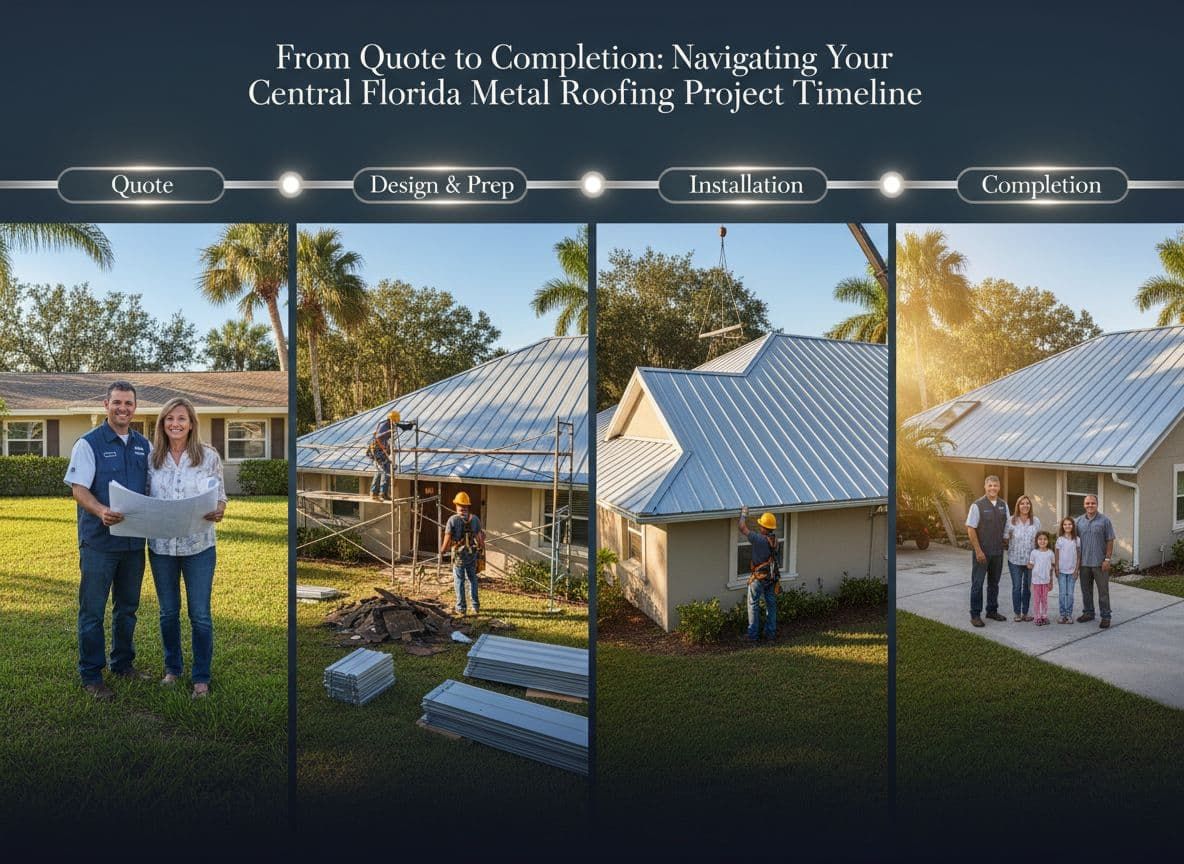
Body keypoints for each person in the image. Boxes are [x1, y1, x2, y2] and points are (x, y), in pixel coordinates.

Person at [64, 381, 152, 700]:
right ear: (106, 405)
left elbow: (153, 489)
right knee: (92, 611)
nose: (123, 408)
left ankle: (122, 665)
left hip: (132, 545)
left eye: (128, 403)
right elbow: (78, 489)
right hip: (99, 543)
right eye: (117, 402)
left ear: (135, 408)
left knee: (127, 609)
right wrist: (101, 510)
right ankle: (91, 675)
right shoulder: (88, 444)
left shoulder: (144, 445)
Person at [146, 397, 227, 698]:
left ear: (191, 423)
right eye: (169, 418)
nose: (175, 424)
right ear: (162, 423)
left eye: (181, 418)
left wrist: (219, 510)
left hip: (199, 546)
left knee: (200, 615)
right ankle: (172, 669)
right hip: (161, 548)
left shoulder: (209, 456)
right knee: (168, 613)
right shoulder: (152, 458)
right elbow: (143, 498)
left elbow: (221, 497)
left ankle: (201, 678)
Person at [966, 475, 1009, 627]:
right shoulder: (977, 505)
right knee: (977, 583)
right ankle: (975, 615)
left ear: (999, 487)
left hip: (997, 552)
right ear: (985, 487)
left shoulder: (1004, 505)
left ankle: (992, 610)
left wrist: (1005, 540)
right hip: (982, 553)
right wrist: (978, 551)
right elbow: (971, 528)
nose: (993, 488)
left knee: (994, 583)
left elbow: (1007, 526)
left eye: (995, 486)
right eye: (990, 486)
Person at [738, 507, 781, 642]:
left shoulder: (758, 539)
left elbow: (742, 527)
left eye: (761, 525)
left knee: (753, 604)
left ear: (763, 527)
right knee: (771, 605)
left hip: (759, 578)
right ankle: (770, 635)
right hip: (771, 578)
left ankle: (753, 635)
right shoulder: (775, 541)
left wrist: (743, 514)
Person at [1075, 494, 1116, 628]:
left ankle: (1105, 616)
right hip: (1084, 563)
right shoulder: (1079, 521)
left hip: (1100, 563)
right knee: (1086, 590)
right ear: (1084, 505)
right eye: (1087, 503)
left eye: (1092, 503)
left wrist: (1107, 559)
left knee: (1103, 591)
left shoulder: (1105, 521)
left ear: (1097, 504)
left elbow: (1110, 540)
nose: (1090, 505)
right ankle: (1088, 613)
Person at [441, 491, 484, 615]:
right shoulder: (475, 519)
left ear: (456, 505)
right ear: (467, 506)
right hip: (472, 555)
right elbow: (480, 540)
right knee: (472, 579)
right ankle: (475, 606)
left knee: (459, 580)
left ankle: (461, 608)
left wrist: (442, 551)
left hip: (459, 556)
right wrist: (481, 549)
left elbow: (447, 540)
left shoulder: (452, 520)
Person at [1004, 495, 1040, 622]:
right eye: (1022, 503)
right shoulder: (1011, 521)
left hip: (1030, 561)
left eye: (1027, 503)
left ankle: (1025, 613)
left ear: (1030, 506)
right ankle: (1017, 613)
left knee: (1027, 587)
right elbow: (1005, 538)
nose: (1025, 506)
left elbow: (1039, 541)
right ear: (1018, 506)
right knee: (1017, 586)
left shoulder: (1035, 521)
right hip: (1014, 560)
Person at [1054, 517, 1081, 625]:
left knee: (1070, 594)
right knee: (1062, 594)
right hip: (1061, 571)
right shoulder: (1060, 539)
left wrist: (1076, 570)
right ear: (1062, 526)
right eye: (1065, 524)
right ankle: (1062, 614)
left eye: (1070, 524)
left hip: (1072, 571)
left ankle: (1069, 614)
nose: (1067, 526)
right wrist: (1056, 568)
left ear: (1073, 526)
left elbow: (1079, 556)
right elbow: (1056, 554)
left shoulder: (1077, 540)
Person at [1028, 532, 1055, 626]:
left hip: (1046, 581)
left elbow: (1051, 568)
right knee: (1037, 600)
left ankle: (1044, 616)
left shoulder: (1050, 553)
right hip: (1036, 581)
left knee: (1044, 600)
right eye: (1040, 539)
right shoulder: (1034, 552)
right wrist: (1029, 565)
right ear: (1036, 541)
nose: (1042, 541)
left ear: (1048, 541)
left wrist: (1051, 581)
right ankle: (1037, 617)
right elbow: (1031, 565)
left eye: (1045, 539)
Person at [368, 415, 392, 501]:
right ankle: (383, 493)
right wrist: (389, 431)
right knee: (387, 469)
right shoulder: (385, 427)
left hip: (377, 451)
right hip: (377, 452)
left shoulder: (385, 425)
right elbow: (379, 437)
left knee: (379, 471)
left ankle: (374, 493)